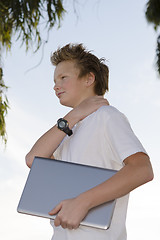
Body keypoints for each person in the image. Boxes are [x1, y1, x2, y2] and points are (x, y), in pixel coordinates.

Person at [25, 43, 154, 240]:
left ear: (89, 78)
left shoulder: (107, 116)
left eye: (63, 78)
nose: (55, 85)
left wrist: (83, 202)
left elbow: (142, 169)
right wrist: (73, 115)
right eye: (54, 80)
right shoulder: (68, 129)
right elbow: (33, 160)